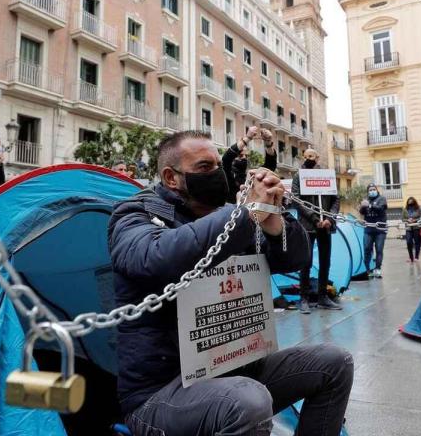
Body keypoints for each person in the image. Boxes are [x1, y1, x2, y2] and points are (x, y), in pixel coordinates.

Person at [109, 130, 353, 435]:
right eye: (204, 167)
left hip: (235, 366)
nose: (216, 173)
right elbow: (152, 257)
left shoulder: (228, 212)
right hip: (162, 391)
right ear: (171, 178)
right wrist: (244, 214)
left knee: (335, 363)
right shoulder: (134, 214)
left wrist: (274, 220)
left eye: (217, 164)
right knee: (247, 400)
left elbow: (296, 260)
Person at [290, 148, 342, 313]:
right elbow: (297, 199)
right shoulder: (299, 176)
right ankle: (304, 298)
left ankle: (323, 297)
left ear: (317, 157)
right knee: (306, 262)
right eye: (306, 156)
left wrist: (329, 218)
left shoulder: (326, 175)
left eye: (311, 156)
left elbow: (336, 199)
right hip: (307, 226)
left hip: (326, 225)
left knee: (325, 261)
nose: (308, 158)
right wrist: (314, 219)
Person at [222, 126, 277, 203]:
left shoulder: (251, 175)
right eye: (240, 155)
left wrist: (268, 143)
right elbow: (226, 158)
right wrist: (247, 138)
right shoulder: (227, 173)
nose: (244, 158)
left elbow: (270, 166)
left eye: (246, 155)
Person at [359, 182, 388, 278]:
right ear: (368, 192)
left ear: (376, 190)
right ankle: (367, 269)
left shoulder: (382, 199)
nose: (372, 191)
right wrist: (363, 207)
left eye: (373, 189)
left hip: (380, 230)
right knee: (367, 249)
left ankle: (378, 269)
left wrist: (370, 206)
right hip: (368, 229)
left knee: (379, 249)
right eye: (370, 190)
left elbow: (381, 209)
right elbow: (362, 212)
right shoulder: (366, 200)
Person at [404, 197, 421, 262]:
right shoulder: (405, 209)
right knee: (409, 242)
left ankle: (416, 257)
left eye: (411, 201)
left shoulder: (419, 208)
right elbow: (402, 218)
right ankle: (410, 257)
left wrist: (415, 220)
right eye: (409, 201)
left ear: (414, 201)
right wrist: (407, 220)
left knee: (417, 242)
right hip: (408, 228)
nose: (410, 202)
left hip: (416, 227)